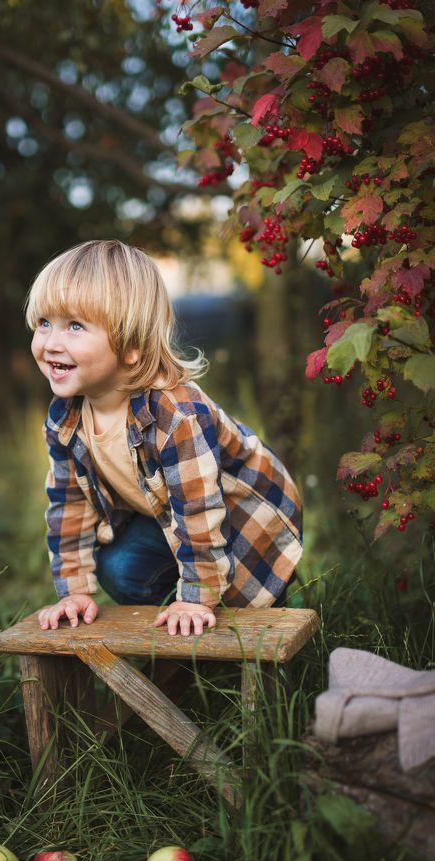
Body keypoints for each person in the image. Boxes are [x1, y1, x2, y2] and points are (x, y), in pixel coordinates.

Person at [26, 240, 303, 637]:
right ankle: (181, 632)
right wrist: (74, 591)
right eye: (44, 323)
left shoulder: (174, 413)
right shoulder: (64, 418)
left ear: (132, 346)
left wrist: (197, 596)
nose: (51, 342)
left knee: (238, 600)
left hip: (248, 520)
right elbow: (68, 506)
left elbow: (199, 509)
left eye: (74, 326)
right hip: (169, 516)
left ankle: (227, 607)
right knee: (118, 567)